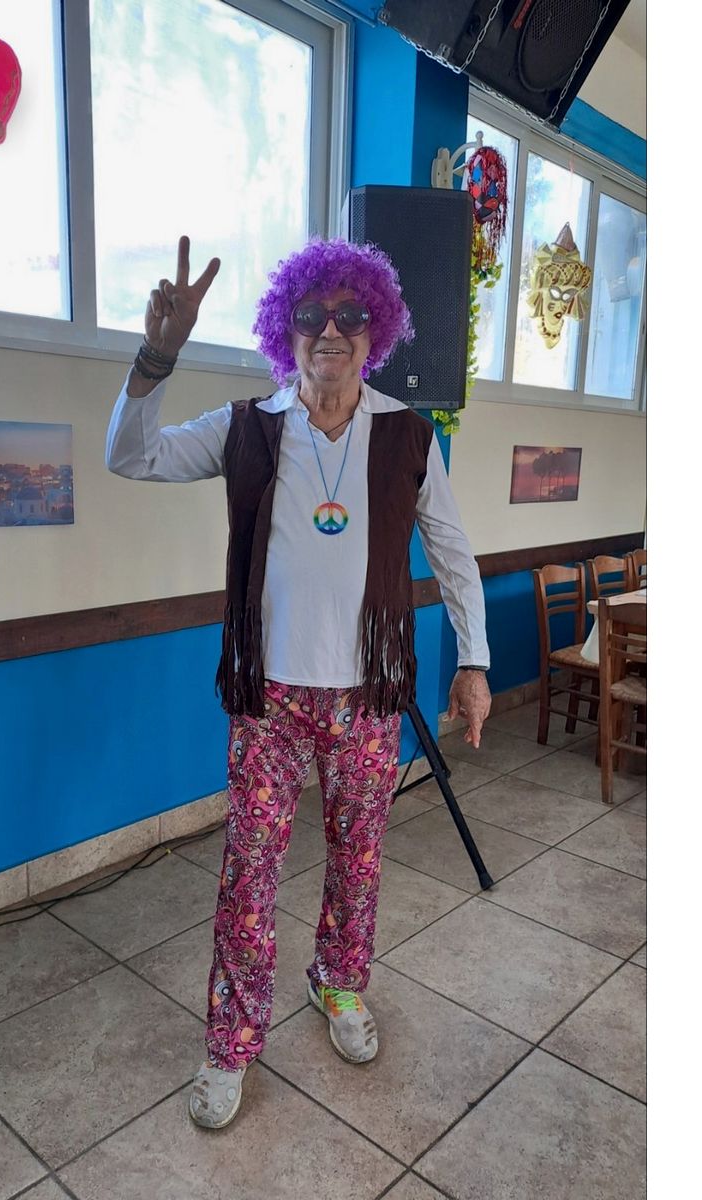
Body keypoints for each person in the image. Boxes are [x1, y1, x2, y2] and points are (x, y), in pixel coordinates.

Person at [106, 234, 491, 1129]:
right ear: (287, 328)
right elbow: (132, 455)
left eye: (351, 314)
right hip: (271, 701)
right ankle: (231, 1042)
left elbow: (454, 554)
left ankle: (338, 982)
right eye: (312, 313)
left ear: (375, 330)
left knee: (359, 862)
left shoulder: (407, 437)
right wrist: (156, 358)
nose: (331, 331)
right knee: (249, 877)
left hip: (367, 700)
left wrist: (473, 660)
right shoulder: (249, 427)